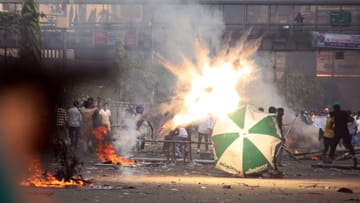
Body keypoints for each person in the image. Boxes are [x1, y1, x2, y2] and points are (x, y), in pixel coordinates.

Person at [329, 103, 357, 168]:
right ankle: (355, 158)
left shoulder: (333, 114)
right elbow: (351, 119)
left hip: (337, 131)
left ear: (334, 108)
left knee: (333, 144)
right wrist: (345, 121)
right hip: (345, 131)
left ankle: (330, 158)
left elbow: (331, 123)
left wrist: (333, 127)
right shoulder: (344, 113)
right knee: (349, 145)